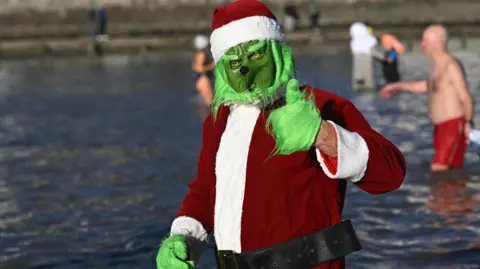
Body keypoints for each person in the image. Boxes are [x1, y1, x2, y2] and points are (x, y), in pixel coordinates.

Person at [156, 1, 406, 269]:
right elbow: (206, 192)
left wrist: (324, 136)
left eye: (255, 55)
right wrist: (182, 237)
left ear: (277, 51)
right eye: (235, 62)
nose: (246, 70)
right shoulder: (218, 121)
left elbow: (391, 175)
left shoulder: (319, 105)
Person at [380, 25, 474, 172]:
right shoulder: (436, 65)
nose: (422, 44)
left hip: (453, 126)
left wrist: (468, 122)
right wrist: (397, 86)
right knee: (448, 172)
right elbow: (426, 86)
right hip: (440, 128)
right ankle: (455, 195)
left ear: (437, 43)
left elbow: (465, 96)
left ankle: (445, 195)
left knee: (439, 168)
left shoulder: (450, 65)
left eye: (425, 41)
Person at [349, 22, 378, 91]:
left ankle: (357, 85)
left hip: (358, 56)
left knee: (358, 74)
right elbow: (374, 49)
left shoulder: (355, 41)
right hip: (366, 56)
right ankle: (367, 85)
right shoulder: (369, 39)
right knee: (367, 74)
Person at [192, 35, 215, 106]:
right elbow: (199, 69)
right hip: (203, 79)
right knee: (211, 104)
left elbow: (194, 67)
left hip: (200, 80)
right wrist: (212, 65)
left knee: (207, 106)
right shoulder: (202, 54)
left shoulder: (197, 54)